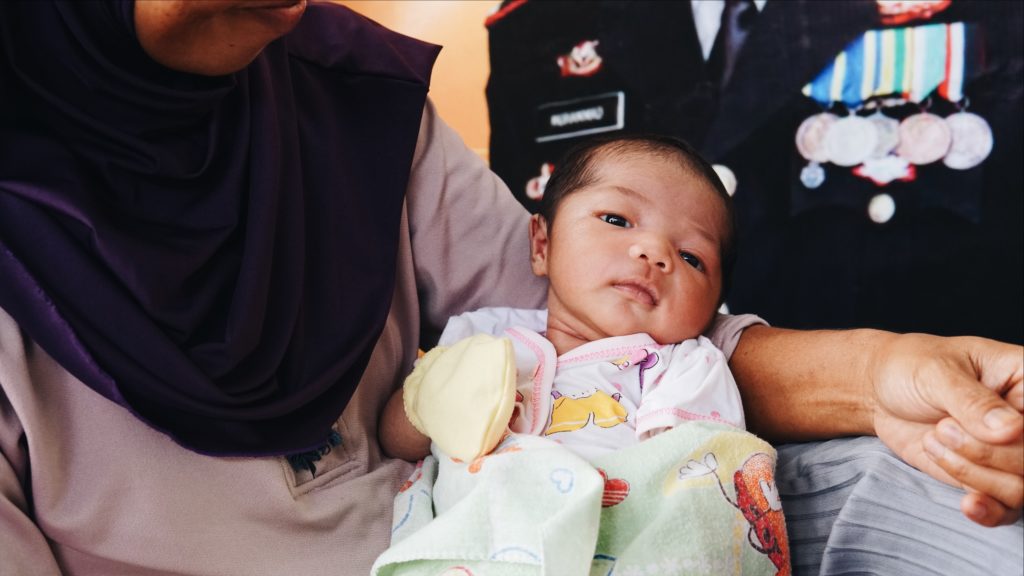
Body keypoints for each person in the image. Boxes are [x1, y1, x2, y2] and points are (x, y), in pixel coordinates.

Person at [0, 2, 1019, 576]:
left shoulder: (352, 108)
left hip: (574, 524)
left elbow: (597, 337)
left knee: (962, 491)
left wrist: (884, 374)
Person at [372, 134, 794, 574]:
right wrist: (437, 398)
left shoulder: (684, 368)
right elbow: (398, 440)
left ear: (712, 306)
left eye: (691, 257)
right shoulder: (482, 336)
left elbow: (698, 493)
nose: (654, 253)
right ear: (542, 246)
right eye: (617, 219)